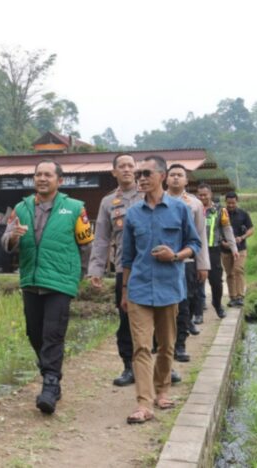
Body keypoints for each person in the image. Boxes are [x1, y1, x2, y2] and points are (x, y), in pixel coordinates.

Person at [1, 160, 94, 415]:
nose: (42, 178)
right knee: (34, 332)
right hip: (31, 279)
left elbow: (86, 244)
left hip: (61, 281)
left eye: (48, 175)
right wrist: (13, 237)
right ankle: (51, 375)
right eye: (38, 174)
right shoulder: (21, 207)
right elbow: (6, 240)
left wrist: (83, 274)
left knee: (53, 333)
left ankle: (50, 386)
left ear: (59, 180)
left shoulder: (75, 208)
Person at [88, 153, 179, 387]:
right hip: (125, 269)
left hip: (158, 267)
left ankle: (164, 366)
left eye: (132, 166)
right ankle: (129, 366)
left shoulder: (151, 194)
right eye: (122, 166)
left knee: (162, 317)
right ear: (114, 172)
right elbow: (101, 238)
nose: (128, 170)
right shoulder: (108, 202)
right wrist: (96, 268)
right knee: (127, 318)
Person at [121, 155, 200, 423]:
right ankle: (144, 404)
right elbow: (127, 259)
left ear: (162, 176)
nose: (140, 178)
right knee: (141, 348)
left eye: (146, 173)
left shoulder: (180, 210)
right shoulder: (132, 214)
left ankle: (162, 390)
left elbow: (194, 244)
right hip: (139, 289)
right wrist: (124, 291)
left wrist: (176, 255)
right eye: (138, 174)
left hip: (169, 287)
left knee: (166, 346)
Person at [164, 164, 210, 362]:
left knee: (184, 304)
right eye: (172, 175)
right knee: (163, 304)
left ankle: (180, 345)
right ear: (166, 179)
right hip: (162, 262)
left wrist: (203, 265)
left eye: (179, 175)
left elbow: (200, 236)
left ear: (186, 181)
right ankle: (162, 343)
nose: (175, 178)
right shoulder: (156, 200)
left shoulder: (194, 203)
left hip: (186, 261)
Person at [196, 183, 238, 320]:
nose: (202, 197)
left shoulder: (220, 210)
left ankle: (217, 305)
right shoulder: (193, 208)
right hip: (196, 250)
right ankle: (198, 312)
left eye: (205, 195)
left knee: (216, 282)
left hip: (213, 250)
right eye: (200, 195)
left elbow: (227, 229)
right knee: (196, 282)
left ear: (211, 194)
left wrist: (233, 248)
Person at [221, 192, 254, 307]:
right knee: (229, 273)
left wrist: (242, 237)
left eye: (233, 203)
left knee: (238, 270)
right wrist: (222, 242)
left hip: (240, 248)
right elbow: (216, 231)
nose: (230, 205)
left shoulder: (243, 214)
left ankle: (240, 296)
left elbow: (251, 229)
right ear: (225, 202)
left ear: (237, 202)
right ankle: (233, 297)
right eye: (228, 203)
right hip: (225, 250)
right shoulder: (221, 214)